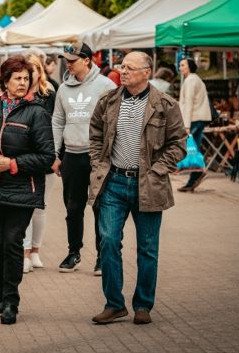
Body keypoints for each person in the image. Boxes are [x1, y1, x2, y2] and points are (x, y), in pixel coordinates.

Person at [89, 51, 186, 325]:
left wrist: (157, 170)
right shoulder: (108, 101)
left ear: (147, 72)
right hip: (113, 183)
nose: (124, 71)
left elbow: (178, 143)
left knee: (147, 248)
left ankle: (143, 305)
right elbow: (95, 133)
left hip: (149, 184)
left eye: (130, 68)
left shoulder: (165, 105)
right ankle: (114, 304)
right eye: (123, 66)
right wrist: (97, 163)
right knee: (107, 241)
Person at [0, 55, 55, 325]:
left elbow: (47, 157)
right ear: (5, 81)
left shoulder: (37, 113)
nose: (22, 83)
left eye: (26, 79)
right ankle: (1, 287)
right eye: (17, 78)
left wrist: (13, 164)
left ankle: (11, 300)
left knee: (12, 242)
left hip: (22, 190)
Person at [51, 41, 116, 275]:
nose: (68, 65)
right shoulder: (63, 88)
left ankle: (102, 256)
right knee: (73, 207)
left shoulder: (106, 85)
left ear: (87, 60)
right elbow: (57, 121)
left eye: (72, 60)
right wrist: (55, 154)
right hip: (72, 156)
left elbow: (113, 123)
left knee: (100, 206)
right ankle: (73, 252)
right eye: (66, 61)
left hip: (97, 158)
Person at [21, 51, 56, 273]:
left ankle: (35, 250)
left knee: (40, 207)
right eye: (25, 69)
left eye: (33, 69)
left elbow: (56, 125)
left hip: (44, 156)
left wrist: (55, 156)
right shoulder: (14, 93)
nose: (29, 73)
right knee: (23, 205)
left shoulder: (49, 92)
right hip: (22, 157)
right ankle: (23, 252)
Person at [177, 58, 212, 192]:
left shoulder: (191, 80)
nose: (180, 68)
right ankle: (195, 176)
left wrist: (186, 125)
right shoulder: (195, 79)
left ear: (190, 67)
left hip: (194, 118)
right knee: (194, 148)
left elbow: (189, 103)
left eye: (183, 65)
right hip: (197, 118)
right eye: (180, 65)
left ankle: (196, 175)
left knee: (191, 148)